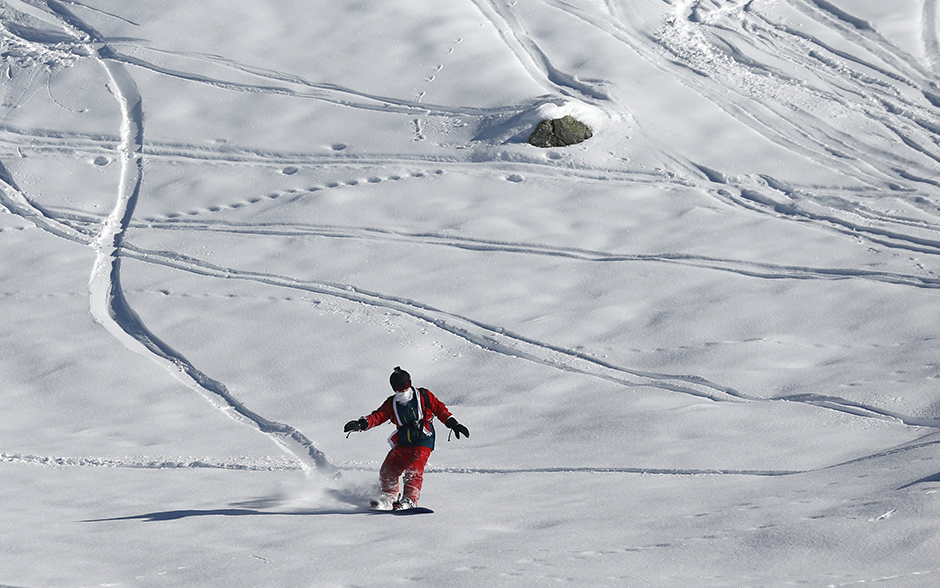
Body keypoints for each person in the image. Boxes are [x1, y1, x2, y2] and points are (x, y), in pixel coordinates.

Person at [344, 366, 470, 510]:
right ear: (394, 388)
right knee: (388, 469)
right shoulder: (392, 403)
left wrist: (453, 424)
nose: (403, 390)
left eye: (405, 386)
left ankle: (410, 499)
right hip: (404, 441)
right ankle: (389, 496)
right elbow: (378, 416)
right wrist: (361, 424)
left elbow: (439, 409)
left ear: (410, 383)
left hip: (423, 439)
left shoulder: (423, 395)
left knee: (413, 470)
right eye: (399, 387)